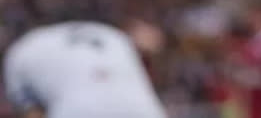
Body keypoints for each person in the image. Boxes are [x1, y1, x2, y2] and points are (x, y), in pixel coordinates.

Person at [3, 20, 167, 118]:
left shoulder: (19, 51)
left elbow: (32, 112)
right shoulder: (113, 34)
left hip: (77, 111)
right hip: (143, 110)